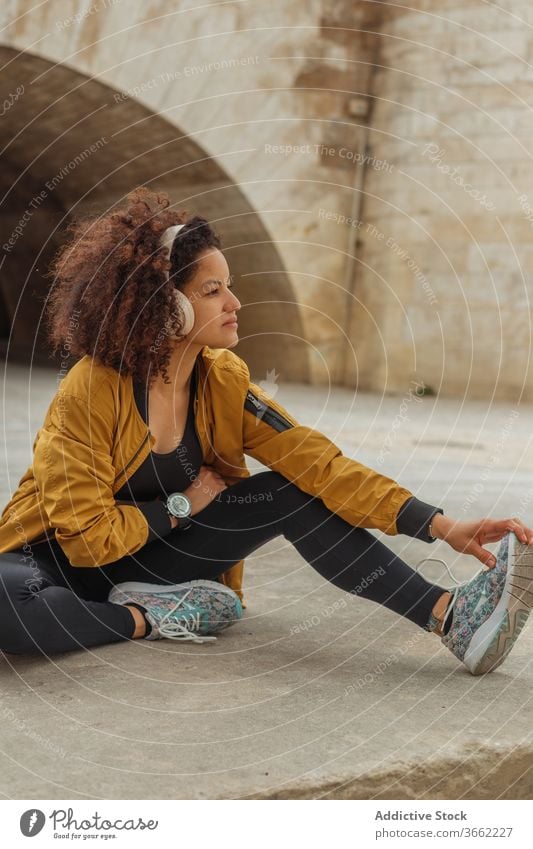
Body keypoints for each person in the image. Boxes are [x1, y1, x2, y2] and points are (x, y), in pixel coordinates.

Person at [0, 187, 531, 675]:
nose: (234, 303)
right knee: (10, 608)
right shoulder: (91, 390)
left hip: (159, 560)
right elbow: (88, 542)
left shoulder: (223, 380)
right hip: (58, 563)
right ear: (167, 304)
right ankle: (148, 617)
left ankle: (449, 614)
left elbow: (318, 464)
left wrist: (440, 525)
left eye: (228, 287)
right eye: (214, 291)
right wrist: (183, 504)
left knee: (285, 492)